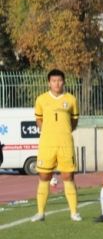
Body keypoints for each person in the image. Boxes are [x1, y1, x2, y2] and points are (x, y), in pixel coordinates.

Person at [30, 69, 82, 222]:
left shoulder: (71, 99)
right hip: (47, 144)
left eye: (59, 80)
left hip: (65, 143)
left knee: (68, 176)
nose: (56, 83)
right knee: (44, 176)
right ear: (49, 83)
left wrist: (64, 131)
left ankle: (74, 212)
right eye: (53, 81)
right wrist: (47, 131)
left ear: (64, 81)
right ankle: (40, 212)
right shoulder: (41, 99)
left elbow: (74, 121)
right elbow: (39, 120)